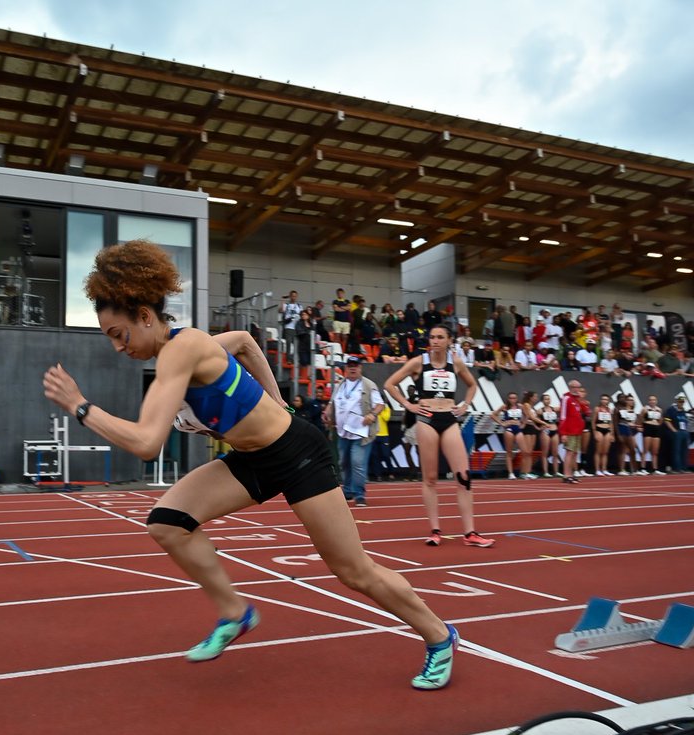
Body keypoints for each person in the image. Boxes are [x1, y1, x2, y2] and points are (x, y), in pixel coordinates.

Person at [42, 240, 458, 689]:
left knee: (353, 571)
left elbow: (146, 443)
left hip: (297, 454)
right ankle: (236, 612)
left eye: (118, 334)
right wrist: (276, 398)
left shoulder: (182, 350)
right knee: (167, 522)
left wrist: (81, 406)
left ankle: (439, 636)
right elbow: (242, 340)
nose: (118, 348)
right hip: (253, 459)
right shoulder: (181, 354)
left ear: (146, 316)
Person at [384, 324, 492, 548]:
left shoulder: (456, 362)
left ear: (449, 340)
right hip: (427, 419)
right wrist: (408, 405)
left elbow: (472, 385)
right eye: (432, 337)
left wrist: (465, 405)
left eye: (440, 337)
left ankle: (470, 532)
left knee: (463, 477)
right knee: (430, 478)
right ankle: (435, 531)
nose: (435, 341)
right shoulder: (418, 362)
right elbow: (390, 384)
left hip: (449, 418)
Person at [322, 356, 384, 507]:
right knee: (344, 462)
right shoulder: (340, 385)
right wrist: (327, 412)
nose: (352, 368)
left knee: (357, 462)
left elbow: (380, 404)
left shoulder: (368, 385)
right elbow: (332, 402)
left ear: (360, 368)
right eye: (349, 365)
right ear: (345, 369)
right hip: (343, 431)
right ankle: (348, 490)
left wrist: (372, 414)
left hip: (361, 432)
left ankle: (359, 494)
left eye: (355, 365)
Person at [559, 381, 589, 484]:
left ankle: (571, 474)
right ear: (570, 387)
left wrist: (581, 399)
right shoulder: (566, 398)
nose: (577, 389)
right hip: (569, 430)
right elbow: (563, 416)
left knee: (575, 453)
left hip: (578, 430)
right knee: (569, 452)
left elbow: (586, 412)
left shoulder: (576, 400)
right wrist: (563, 433)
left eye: (578, 387)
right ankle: (566, 475)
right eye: (575, 387)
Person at [490, 392, 525, 480]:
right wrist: (502, 423)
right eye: (511, 398)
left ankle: (524, 472)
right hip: (509, 429)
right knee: (509, 452)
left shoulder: (520, 406)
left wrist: (523, 423)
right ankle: (511, 473)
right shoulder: (504, 407)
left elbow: (527, 414)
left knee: (524, 451)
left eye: (514, 398)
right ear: (508, 399)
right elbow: (493, 415)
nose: (512, 400)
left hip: (518, 428)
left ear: (517, 399)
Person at [535, 393, 561, 478]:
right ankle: (545, 472)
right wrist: (539, 427)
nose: (547, 400)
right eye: (546, 399)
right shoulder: (540, 411)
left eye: (549, 399)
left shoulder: (555, 409)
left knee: (555, 452)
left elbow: (564, 410)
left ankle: (556, 471)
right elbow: (533, 419)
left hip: (554, 430)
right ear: (542, 401)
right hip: (546, 431)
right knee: (545, 453)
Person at [639, 395, 665, 475]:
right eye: (650, 400)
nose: (652, 401)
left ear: (656, 401)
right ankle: (643, 468)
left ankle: (655, 469)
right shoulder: (644, 409)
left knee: (655, 451)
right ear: (648, 401)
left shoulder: (659, 410)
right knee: (645, 449)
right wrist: (641, 426)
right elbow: (640, 419)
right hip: (648, 428)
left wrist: (657, 424)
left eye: (654, 400)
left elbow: (660, 421)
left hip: (656, 429)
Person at [591, 394, 616, 476]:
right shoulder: (597, 409)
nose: (604, 401)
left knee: (605, 452)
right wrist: (594, 433)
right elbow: (593, 422)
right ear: (600, 400)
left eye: (606, 399)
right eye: (603, 399)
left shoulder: (609, 410)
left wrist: (612, 434)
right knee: (598, 451)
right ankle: (597, 469)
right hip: (599, 429)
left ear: (608, 401)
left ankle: (604, 469)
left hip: (607, 430)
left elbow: (611, 422)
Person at [665, 397, 691, 474]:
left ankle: (684, 468)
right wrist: (674, 430)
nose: (681, 403)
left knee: (684, 451)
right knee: (676, 451)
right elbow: (667, 421)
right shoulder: (671, 410)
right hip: (677, 432)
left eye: (682, 402)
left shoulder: (683, 410)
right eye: (680, 402)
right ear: (677, 402)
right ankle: (676, 468)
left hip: (684, 432)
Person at [615, 395, 640, 476]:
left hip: (628, 429)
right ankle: (622, 469)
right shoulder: (617, 409)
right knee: (622, 450)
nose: (623, 399)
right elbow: (615, 422)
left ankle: (634, 469)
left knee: (632, 449)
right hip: (621, 428)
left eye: (624, 398)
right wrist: (618, 434)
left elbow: (631, 421)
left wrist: (635, 426)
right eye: (621, 398)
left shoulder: (627, 409)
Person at [279, 290, 303, 364]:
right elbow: (281, 310)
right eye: (292, 296)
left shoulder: (299, 306)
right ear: (290, 296)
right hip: (288, 326)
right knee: (288, 342)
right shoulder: (287, 305)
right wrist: (282, 300)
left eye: (295, 296)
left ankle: (295, 358)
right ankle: (289, 359)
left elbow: (302, 315)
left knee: (297, 344)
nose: (294, 297)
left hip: (296, 327)